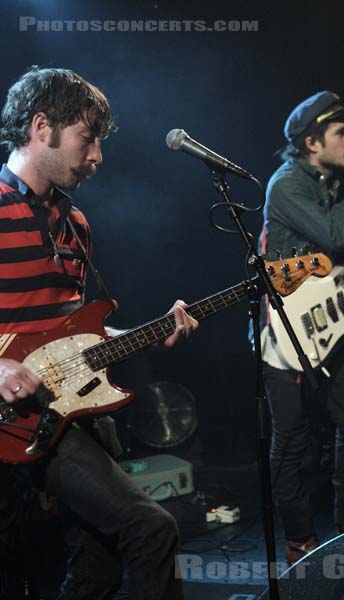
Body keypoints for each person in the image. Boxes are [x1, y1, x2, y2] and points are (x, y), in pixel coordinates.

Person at [0, 66, 198, 599]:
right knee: (153, 529)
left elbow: (79, 332)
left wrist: (149, 333)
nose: (97, 158)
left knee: (100, 567)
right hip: (15, 420)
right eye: (87, 140)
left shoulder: (75, 223)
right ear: (42, 126)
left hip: (75, 411)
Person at [258, 90, 344, 564]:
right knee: (292, 437)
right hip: (285, 330)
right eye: (341, 134)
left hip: (329, 324)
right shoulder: (287, 185)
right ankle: (299, 542)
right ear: (313, 143)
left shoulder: (334, 180)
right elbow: (335, 233)